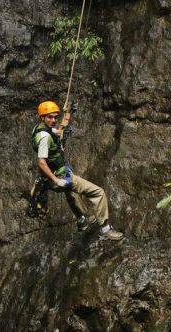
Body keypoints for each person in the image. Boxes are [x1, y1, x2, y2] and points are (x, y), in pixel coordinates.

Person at [30, 100, 123, 241]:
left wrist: (67, 114)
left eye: (55, 116)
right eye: (50, 117)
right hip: (59, 176)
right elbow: (41, 162)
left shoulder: (40, 129)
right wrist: (56, 180)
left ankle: (82, 219)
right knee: (98, 193)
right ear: (42, 117)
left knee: (71, 192)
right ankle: (105, 230)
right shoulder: (45, 137)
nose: (53, 120)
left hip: (55, 175)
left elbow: (60, 131)